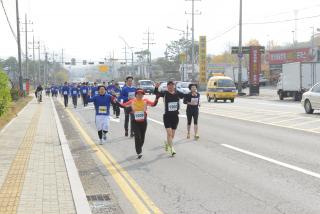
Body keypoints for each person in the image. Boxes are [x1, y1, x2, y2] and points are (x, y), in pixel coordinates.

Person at [115, 88, 159, 159]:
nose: (140, 95)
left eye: (141, 94)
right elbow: (123, 105)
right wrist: (116, 101)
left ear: (143, 95)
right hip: (135, 122)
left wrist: (157, 98)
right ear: (135, 95)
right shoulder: (132, 101)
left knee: (142, 138)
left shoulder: (145, 101)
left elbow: (153, 104)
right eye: (138, 94)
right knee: (137, 137)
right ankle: (139, 152)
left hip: (143, 122)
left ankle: (139, 147)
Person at [155, 81, 185, 156]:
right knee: (169, 133)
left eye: (172, 85)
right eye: (169, 85)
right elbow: (156, 93)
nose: (171, 87)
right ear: (167, 86)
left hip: (175, 116)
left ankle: (167, 144)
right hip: (167, 116)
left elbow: (184, 95)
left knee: (172, 135)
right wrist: (156, 87)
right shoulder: (165, 93)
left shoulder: (177, 93)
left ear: (174, 86)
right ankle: (171, 149)